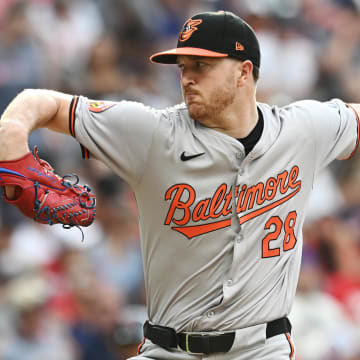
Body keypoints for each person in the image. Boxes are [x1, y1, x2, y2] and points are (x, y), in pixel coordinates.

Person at [0, 10, 359, 360]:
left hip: (262, 349)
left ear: (243, 72)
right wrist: (13, 136)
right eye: (183, 67)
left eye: (201, 66)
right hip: (168, 349)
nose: (187, 78)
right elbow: (42, 102)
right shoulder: (153, 134)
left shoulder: (303, 129)